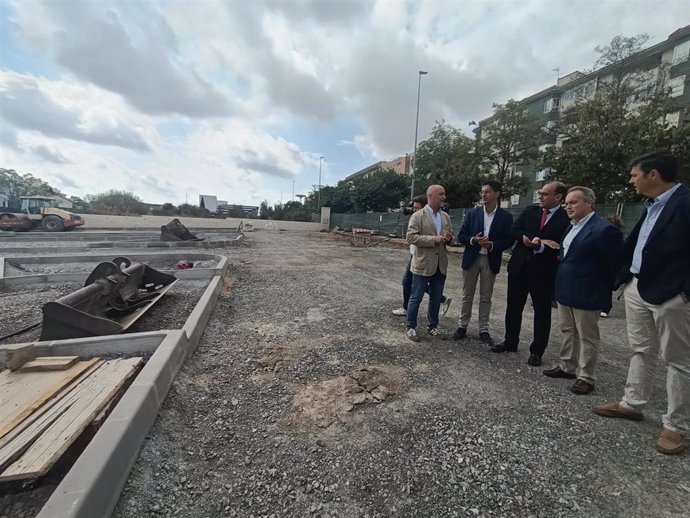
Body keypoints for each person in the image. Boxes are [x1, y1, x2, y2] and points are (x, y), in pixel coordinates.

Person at [592, 151, 690, 455]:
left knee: (679, 360)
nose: (631, 180)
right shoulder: (651, 207)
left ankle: (676, 426)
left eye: (634, 175)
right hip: (638, 286)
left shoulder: (685, 203)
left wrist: (684, 292)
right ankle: (632, 404)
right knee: (640, 349)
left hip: (671, 294)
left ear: (653, 175)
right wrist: (626, 278)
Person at [542, 187, 623, 394]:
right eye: (567, 203)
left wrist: (604, 288)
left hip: (589, 292)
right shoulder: (571, 227)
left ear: (589, 203)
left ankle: (586, 376)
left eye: (574, 202)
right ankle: (567, 366)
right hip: (566, 288)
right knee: (567, 330)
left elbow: (614, 264)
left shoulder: (604, 230)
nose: (568, 206)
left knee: (587, 336)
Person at [491, 181, 570, 366]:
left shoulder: (566, 218)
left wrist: (541, 246)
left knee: (542, 311)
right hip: (519, 267)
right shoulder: (531, 211)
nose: (540, 196)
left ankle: (537, 351)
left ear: (558, 197)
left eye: (545, 194)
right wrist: (530, 239)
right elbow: (514, 229)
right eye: (540, 193)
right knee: (513, 307)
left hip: (543, 271)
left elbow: (561, 244)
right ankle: (510, 341)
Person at [453, 180, 514, 346]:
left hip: (490, 258)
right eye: (482, 192)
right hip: (472, 258)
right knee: (467, 295)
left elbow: (509, 240)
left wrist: (492, 245)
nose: (483, 195)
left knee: (486, 297)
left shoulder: (505, 217)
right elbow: (462, 235)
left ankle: (484, 329)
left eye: (487, 192)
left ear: (497, 194)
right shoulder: (473, 214)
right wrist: (474, 240)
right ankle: (462, 326)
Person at [405, 185, 453, 341]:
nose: (444, 197)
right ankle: (411, 327)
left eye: (444, 194)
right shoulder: (418, 216)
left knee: (435, 297)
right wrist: (435, 239)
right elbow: (411, 237)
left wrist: (449, 238)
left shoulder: (445, 216)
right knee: (416, 297)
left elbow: (451, 238)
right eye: (441, 194)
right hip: (423, 263)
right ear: (431, 196)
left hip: (440, 264)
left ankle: (433, 326)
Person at [392, 196, 452, 317]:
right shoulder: (416, 217)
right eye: (413, 208)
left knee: (411, 282)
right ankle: (441, 299)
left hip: (422, 257)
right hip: (414, 254)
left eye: (417, 208)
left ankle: (410, 308)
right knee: (410, 282)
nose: (414, 210)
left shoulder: (432, 218)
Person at [599, 214, 624, 318]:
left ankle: (605, 307)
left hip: (609, 265)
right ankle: (603, 307)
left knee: (606, 286)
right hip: (604, 263)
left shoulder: (616, 235)